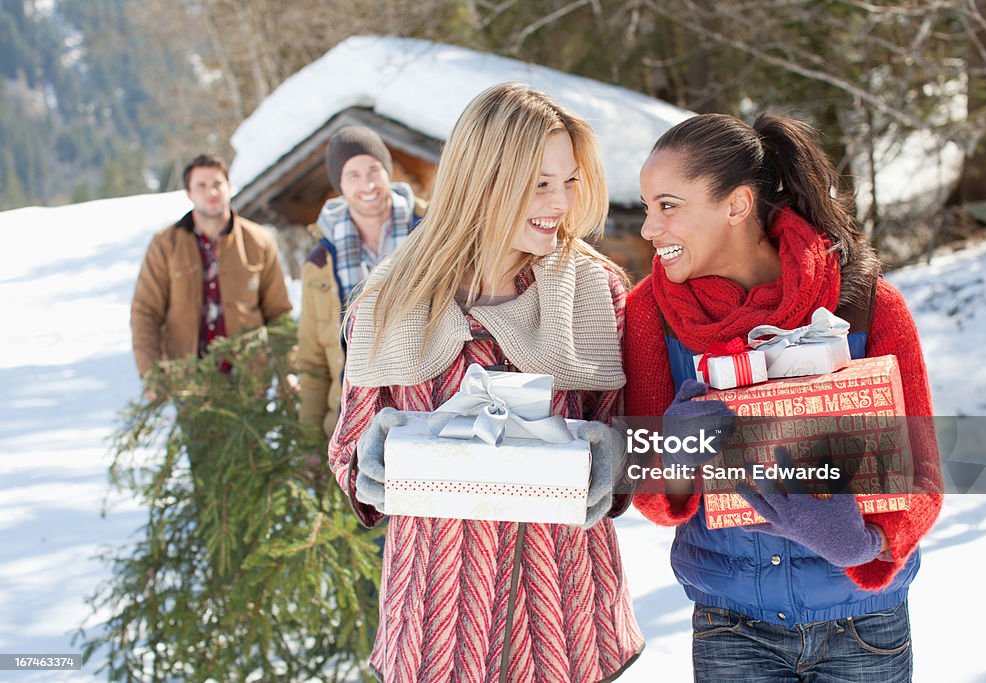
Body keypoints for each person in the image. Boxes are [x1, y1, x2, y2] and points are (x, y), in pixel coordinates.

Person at [328, 83, 644, 683]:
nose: (560, 203)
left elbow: (633, 438)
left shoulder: (594, 292)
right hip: (437, 621)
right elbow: (348, 451)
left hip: (567, 621)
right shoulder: (390, 299)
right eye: (540, 183)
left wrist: (618, 457)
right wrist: (374, 459)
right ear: (484, 181)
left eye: (569, 181)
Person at [624, 112, 943, 682]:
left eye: (667, 205)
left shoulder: (867, 303)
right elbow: (651, 497)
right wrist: (671, 457)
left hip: (862, 629)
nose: (650, 229)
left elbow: (921, 476)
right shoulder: (651, 312)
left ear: (736, 205)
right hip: (731, 628)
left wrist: (862, 543)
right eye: (648, 207)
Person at [296, 126, 424, 438]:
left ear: (388, 171)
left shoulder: (430, 232)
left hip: (422, 415)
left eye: (374, 170)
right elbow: (313, 362)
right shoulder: (320, 262)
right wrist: (311, 441)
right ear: (338, 183)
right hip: (351, 424)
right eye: (353, 175)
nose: (367, 184)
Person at [130, 153, 291, 389]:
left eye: (217, 183)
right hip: (189, 380)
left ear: (229, 186)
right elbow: (145, 312)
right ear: (188, 193)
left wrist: (287, 369)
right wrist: (151, 373)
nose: (212, 192)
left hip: (249, 377)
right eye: (201, 186)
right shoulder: (165, 245)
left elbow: (278, 312)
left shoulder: (259, 241)